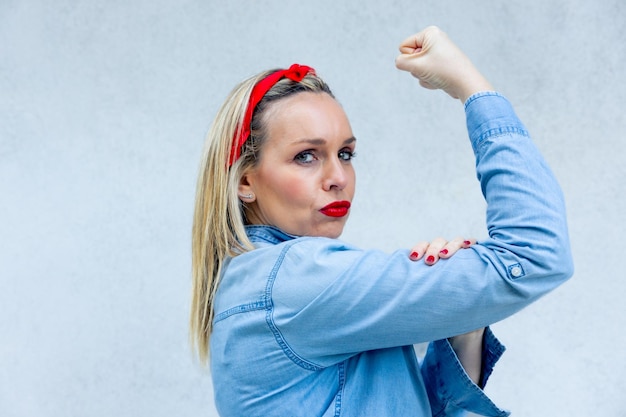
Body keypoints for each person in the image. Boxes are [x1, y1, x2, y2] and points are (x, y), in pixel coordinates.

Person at [190, 26, 573, 416]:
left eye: (346, 154)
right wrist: (470, 85)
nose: (338, 177)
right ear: (244, 181)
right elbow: (537, 253)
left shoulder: (258, 284)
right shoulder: (296, 280)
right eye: (306, 156)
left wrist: (465, 322)